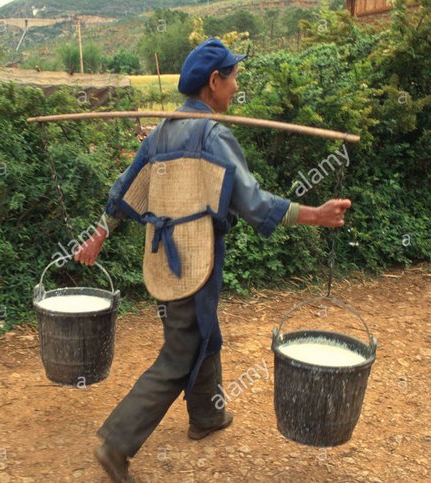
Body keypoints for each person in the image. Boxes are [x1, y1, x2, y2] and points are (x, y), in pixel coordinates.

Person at [75, 38, 351, 482]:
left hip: (165, 257)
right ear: (214, 81)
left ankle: (208, 415)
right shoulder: (212, 134)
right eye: (234, 77)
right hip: (196, 259)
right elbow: (253, 202)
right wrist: (313, 214)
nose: (236, 87)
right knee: (181, 351)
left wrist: (99, 234)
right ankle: (116, 444)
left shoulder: (163, 130)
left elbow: (126, 189)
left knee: (203, 333)